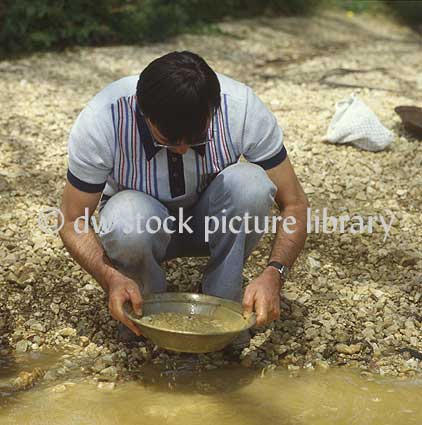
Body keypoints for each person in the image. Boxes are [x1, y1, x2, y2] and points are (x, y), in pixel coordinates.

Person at [59, 51, 308, 341]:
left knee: (251, 183)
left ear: (212, 111)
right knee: (127, 216)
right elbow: (72, 219)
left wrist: (274, 275)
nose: (181, 149)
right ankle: (141, 304)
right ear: (142, 111)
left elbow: (295, 203)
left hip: (211, 222)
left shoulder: (241, 108)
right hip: (141, 227)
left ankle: (225, 305)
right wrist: (110, 278)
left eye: (196, 138)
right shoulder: (104, 120)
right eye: (166, 139)